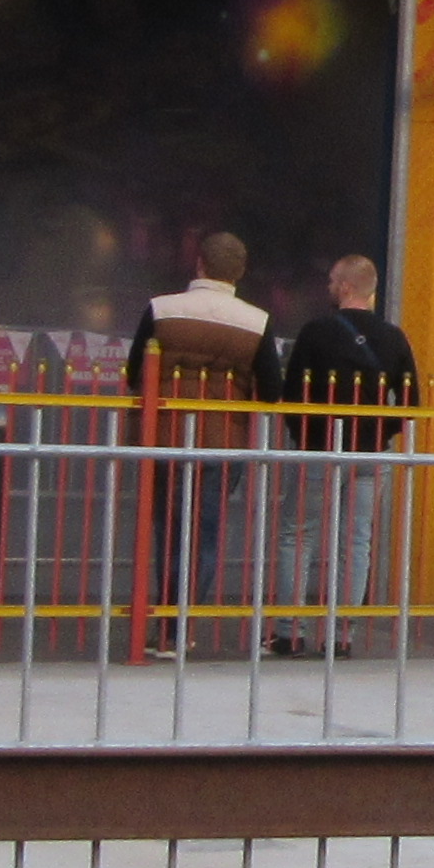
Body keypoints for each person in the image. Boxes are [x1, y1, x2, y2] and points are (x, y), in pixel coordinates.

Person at [261, 253, 418, 657]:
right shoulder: (394, 337)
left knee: (299, 535)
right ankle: (341, 636)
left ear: (346, 287)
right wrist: (381, 431)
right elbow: (411, 403)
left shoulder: (316, 333)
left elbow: (292, 394)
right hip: (370, 455)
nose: (329, 286)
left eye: (333, 280)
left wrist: (303, 434)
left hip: (319, 448)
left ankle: (289, 632)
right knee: (357, 542)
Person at [128, 231, 270, 659]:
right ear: (240, 273)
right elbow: (271, 389)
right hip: (222, 442)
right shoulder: (257, 322)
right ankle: (181, 629)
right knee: (204, 536)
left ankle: (163, 623)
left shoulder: (162, 309)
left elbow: (135, 371)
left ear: (199, 264)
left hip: (165, 437)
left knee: (168, 530)